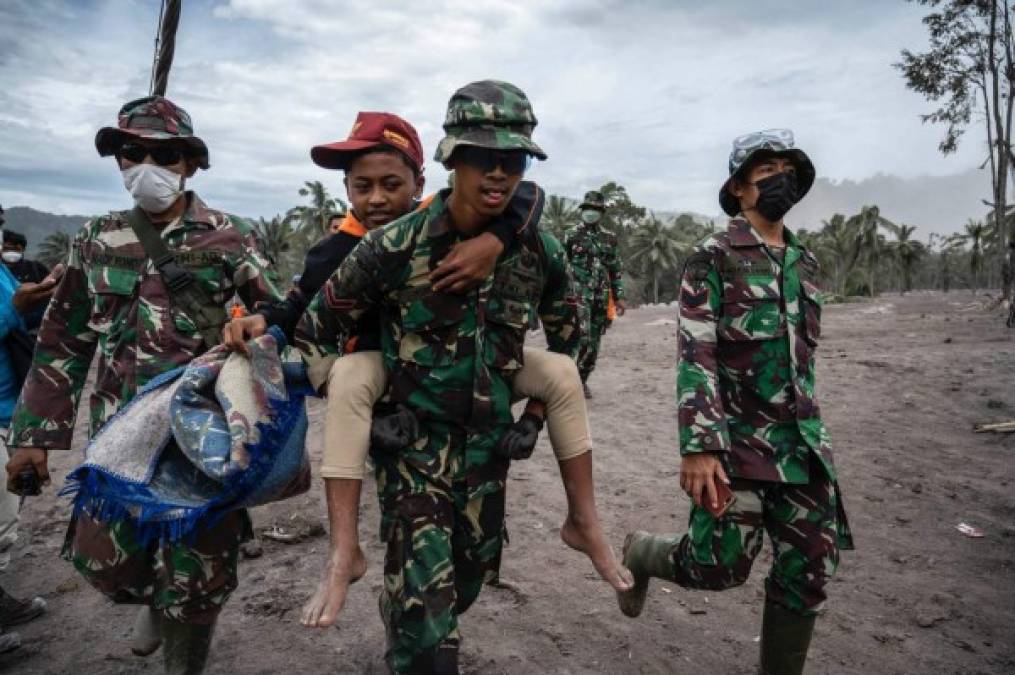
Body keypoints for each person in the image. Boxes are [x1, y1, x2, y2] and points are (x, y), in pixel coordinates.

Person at [220, 111, 610, 632]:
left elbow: (521, 196)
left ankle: (583, 519)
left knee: (470, 569)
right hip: (393, 399)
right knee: (356, 377)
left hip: (479, 405)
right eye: (363, 186)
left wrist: (533, 413)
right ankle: (346, 556)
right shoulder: (352, 248)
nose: (376, 199)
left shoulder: (492, 230)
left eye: (390, 184)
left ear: (420, 183)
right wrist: (265, 322)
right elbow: (306, 315)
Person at [295, 80, 631, 674]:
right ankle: (410, 632)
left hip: (486, 451)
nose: (497, 174)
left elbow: (572, 337)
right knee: (428, 628)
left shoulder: (537, 251)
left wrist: (532, 417)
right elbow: (316, 331)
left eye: (512, 160)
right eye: (481, 158)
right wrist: (368, 412)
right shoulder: (393, 246)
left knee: (468, 582)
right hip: (413, 449)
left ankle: (407, 614)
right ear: (452, 159)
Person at [3, 95, 283, 674]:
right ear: (118, 159)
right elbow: (63, 341)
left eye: (164, 154)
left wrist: (255, 335)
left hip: (200, 437)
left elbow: (277, 319)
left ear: (189, 163)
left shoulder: (231, 236)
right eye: (133, 152)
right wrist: (33, 438)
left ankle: (183, 654)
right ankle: (155, 597)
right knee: (104, 562)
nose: (146, 165)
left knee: (199, 577)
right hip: (118, 437)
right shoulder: (97, 239)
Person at [617, 129, 853, 675]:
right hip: (737, 444)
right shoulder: (713, 257)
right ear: (739, 189)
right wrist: (699, 446)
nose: (780, 179)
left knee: (810, 572)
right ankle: (644, 552)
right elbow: (695, 352)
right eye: (766, 171)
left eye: (786, 169)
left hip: (802, 446)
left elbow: (802, 364)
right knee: (718, 567)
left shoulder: (806, 262)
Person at [0, 211, 59, 654]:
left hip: (9, 406)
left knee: (7, 519)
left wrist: (38, 298)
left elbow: (21, 319)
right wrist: (14, 308)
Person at [563, 190, 626, 397]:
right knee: (583, 336)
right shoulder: (571, 235)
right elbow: (561, 266)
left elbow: (615, 269)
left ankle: (581, 380)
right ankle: (568, 381)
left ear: (601, 212)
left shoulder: (610, 238)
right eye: (587, 208)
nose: (591, 212)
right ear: (582, 210)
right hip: (578, 295)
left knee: (595, 342)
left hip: (600, 296)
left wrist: (619, 297)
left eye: (595, 209)